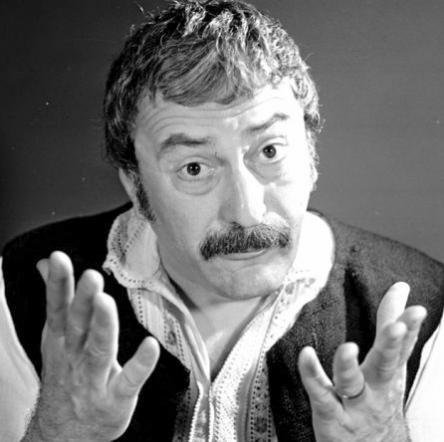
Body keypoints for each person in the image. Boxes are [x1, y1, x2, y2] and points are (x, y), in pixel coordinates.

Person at [1, 0, 443, 441]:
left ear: (310, 157)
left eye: (270, 151)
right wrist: (54, 434)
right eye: (194, 168)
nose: (247, 212)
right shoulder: (16, 293)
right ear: (135, 187)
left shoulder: (428, 310)